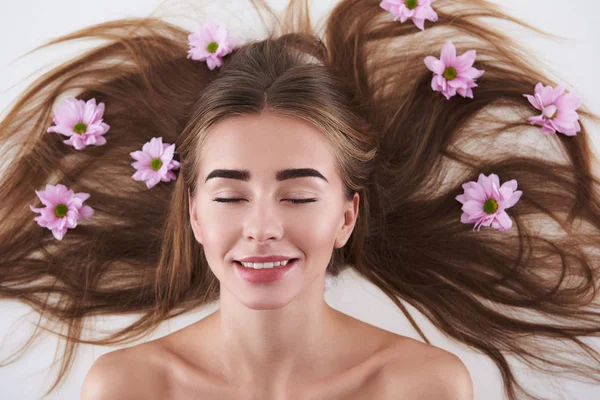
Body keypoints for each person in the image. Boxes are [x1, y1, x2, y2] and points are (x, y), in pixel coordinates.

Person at [0, 0, 599, 399]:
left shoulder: (421, 386)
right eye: (231, 195)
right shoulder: (128, 387)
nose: (262, 227)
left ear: (346, 216)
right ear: (193, 214)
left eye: (298, 195)